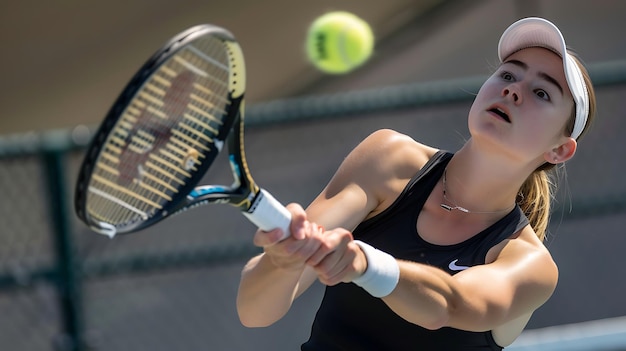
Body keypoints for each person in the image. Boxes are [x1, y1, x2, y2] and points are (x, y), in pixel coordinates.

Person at [236, 17, 596, 350]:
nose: (514, 90)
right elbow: (254, 313)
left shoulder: (530, 265)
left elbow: (448, 303)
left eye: (542, 93)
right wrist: (282, 263)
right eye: (507, 75)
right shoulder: (388, 159)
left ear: (560, 150)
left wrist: (364, 263)